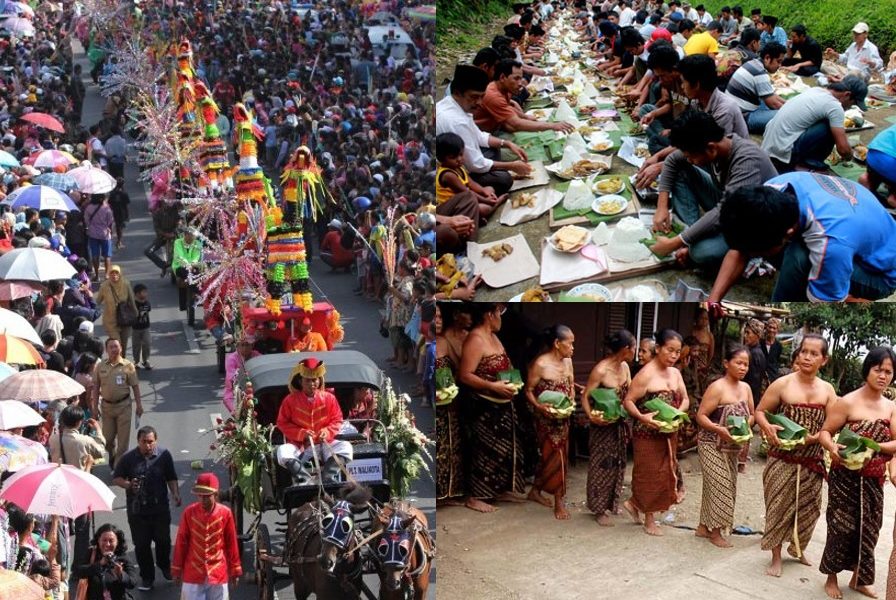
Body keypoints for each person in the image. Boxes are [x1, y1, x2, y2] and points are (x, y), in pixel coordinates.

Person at [714, 173, 896, 302]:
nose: (750, 256)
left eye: (757, 253)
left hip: (881, 273)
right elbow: (739, 251)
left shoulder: (831, 244)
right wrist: (712, 301)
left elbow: (828, 301)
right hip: (856, 227)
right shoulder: (774, 189)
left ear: (788, 233)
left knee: (799, 257)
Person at [646, 111, 777, 267]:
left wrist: (676, 242)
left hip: (752, 223)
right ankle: (690, 232)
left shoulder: (746, 160)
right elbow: (672, 160)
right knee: (680, 169)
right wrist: (662, 207)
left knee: (700, 252)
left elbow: (725, 211)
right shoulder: (714, 146)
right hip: (729, 204)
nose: (690, 160)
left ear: (711, 148)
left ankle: (689, 240)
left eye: (691, 156)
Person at [754, 333, 836, 578]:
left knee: (810, 508)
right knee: (778, 506)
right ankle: (776, 556)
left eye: (814, 353)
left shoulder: (828, 390)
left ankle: (798, 548)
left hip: (812, 459)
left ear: (824, 360)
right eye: (803, 352)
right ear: (797, 354)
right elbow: (760, 411)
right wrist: (766, 427)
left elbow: (832, 425)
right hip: (782, 457)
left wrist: (818, 438)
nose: (807, 357)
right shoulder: (783, 384)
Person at [818, 347, 896, 600]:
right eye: (878, 369)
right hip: (845, 477)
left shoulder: (891, 407)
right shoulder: (847, 401)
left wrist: (875, 447)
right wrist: (832, 447)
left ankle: (858, 579)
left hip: (873, 479)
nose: (883, 376)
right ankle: (831, 578)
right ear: (867, 370)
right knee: (841, 527)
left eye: (888, 371)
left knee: (870, 529)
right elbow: (825, 433)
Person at [622, 329, 690, 536]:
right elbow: (628, 402)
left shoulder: (676, 373)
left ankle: (634, 504)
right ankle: (649, 518)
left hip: (669, 431)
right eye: (670, 350)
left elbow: (686, 398)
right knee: (648, 474)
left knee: (664, 472)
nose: (673, 356)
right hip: (647, 433)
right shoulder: (646, 374)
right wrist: (643, 418)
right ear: (658, 348)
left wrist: (677, 413)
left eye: (677, 352)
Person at [458, 303, 526, 508]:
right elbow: (465, 375)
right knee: (485, 451)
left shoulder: (494, 336)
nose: (501, 317)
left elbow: (506, 365)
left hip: (504, 404)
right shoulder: (476, 339)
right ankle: (476, 497)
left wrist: (513, 380)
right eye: (500, 312)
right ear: (489, 314)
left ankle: (499, 489)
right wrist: (491, 386)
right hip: (484, 406)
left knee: (504, 450)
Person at [436, 64, 531, 198]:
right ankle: (481, 192)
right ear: (457, 92)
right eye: (474, 97)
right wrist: (511, 166)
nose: (479, 102)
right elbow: (475, 164)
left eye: (482, 96)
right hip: (457, 170)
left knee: (496, 147)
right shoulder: (456, 121)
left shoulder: (455, 104)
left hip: (466, 158)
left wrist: (507, 144)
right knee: (504, 179)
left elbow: (479, 136)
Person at [695, 344, 754, 548]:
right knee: (721, 485)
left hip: (732, 447)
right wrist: (719, 429)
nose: (743, 368)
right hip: (710, 443)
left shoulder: (746, 388)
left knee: (720, 484)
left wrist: (746, 428)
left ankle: (703, 526)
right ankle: (716, 532)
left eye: (746, 364)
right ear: (726, 363)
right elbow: (700, 416)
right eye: (739, 363)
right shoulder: (717, 387)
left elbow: (753, 414)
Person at [112, 426, 180, 592]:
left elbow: (171, 477)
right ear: (138, 441)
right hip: (138, 512)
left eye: (151, 442)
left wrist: (175, 494)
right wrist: (129, 484)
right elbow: (117, 478)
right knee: (142, 545)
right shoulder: (128, 458)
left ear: (155, 441)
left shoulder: (164, 455)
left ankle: (164, 565)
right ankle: (147, 577)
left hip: (160, 509)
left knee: (163, 541)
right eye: (144, 442)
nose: (148, 445)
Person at [580, 329, 635, 526]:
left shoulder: (625, 367)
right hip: (602, 425)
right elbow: (586, 396)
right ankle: (598, 508)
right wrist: (591, 417)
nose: (635, 351)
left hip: (619, 424)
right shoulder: (601, 370)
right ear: (625, 349)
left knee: (618, 464)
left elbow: (629, 393)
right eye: (634, 347)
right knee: (601, 465)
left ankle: (612, 503)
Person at [523, 324, 576, 520]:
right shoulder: (541, 364)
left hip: (564, 417)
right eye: (569, 343)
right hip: (545, 418)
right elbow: (528, 390)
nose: (572, 348)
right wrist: (539, 407)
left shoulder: (568, 362)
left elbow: (570, 384)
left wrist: (571, 399)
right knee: (553, 456)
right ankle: (559, 502)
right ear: (557, 343)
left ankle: (535, 490)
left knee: (557, 456)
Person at [760, 76, 867, 172]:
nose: (849, 107)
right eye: (852, 104)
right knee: (829, 126)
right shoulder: (834, 106)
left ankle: (803, 160)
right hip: (785, 151)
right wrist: (849, 156)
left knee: (826, 121)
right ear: (847, 94)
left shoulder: (817, 90)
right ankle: (806, 163)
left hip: (770, 146)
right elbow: (843, 149)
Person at [275, 358, 352, 484]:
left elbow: (337, 419)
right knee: (282, 451)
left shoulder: (329, 398)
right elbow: (282, 423)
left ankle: (328, 479)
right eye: (308, 380)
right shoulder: (290, 400)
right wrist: (301, 433)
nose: (312, 384)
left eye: (315, 380)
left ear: (319, 380)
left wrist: (326, 432)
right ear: (300, 381)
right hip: (300, 447)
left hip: (325, 444)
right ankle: (306, 480)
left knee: (346, 447)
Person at [48, 405, 106, 568]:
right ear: (79, 422)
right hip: (80, 489)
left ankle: (61, 563)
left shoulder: (53, 439)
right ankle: (79, 565)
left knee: (60, 527)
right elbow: (101, 450)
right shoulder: (83, 441)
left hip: (59, 488)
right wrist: (98, 431)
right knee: (82, 530)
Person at [171, 473, 242, 600]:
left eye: (207, 496)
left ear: (215, 494)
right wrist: (177, 569)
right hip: (193, 573)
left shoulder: (226, 513)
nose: (203, 500)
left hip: (217, 572)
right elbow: (181, 541)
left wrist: (235, 570)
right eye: (200, 496)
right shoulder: (189, 512)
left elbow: (231, 543)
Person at [474, 59, 574, 134]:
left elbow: (509, 106)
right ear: (502, 77)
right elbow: (517, 123)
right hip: (486, 135)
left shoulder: (504, 88)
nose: (520, 83)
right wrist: (553, 126)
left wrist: (525, 116)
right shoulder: (493, 96)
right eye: (516, 79)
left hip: (497, 125)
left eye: (520, 78)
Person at [436, 132, 507, 230]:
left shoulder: (458, 167)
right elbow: (466, 192)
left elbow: (471, 183)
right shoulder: (448, 175)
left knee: (489, 189)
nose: (459, 159)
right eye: (453, 157)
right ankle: (496, 204)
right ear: (441, 159)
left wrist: (484, 192)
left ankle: (477, 218)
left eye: (461, 154)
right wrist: (487, 200)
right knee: (484, 208)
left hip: (468, 199)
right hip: (456, 208)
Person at [92, 337, 143, 468]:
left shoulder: (128, 366)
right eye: (111, 347)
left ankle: (119, 467)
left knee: (123, 441)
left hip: (124, 406)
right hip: (107, 408)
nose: (114, 349)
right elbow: (96, 387)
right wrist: (94, 406)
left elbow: (135, 386)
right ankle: (113, 455)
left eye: (116, 346)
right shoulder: (100, 366)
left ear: (121, 348)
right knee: (107, 440)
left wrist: (139, 405)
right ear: (106, 350)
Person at [725, 42, 788, 134]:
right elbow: (773, 104)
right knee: (785, 116)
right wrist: (792, 110)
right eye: (778, 61)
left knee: (775, 103)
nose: (780, 66)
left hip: (736, 110)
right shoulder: (759, 72)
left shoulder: (754, 63)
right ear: (767, 58)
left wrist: (789, 103)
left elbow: (771, 96)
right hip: (743, 117)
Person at [73, 524, 138, 600]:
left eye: (111, 541)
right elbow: (77, 571)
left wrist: (121, 574)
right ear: (98, 540)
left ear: (117, 542)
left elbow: (133, 582)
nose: (107, 544)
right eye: (104, 540)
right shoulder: (91, 554)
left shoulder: (122, 556)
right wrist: (99, 564)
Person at [95, 265, 137, 352]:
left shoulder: (126, 284)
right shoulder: (104, 286)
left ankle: (122, 363)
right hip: (111, 321)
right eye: (112, 273)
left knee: (124, 345)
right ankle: (116, 363)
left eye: (116, 273)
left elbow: (132, 300)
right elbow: (98, 301)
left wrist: (136, 314)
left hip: (125, 319)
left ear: (120, 274)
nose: (114, 275)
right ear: (109, 275)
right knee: (117, 344)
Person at [859, 123, 896, 208]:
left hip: (872, 157)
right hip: (891, 165)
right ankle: (894, 198)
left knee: (877, 175)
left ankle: (867, 180)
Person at [223, 335, 261, 414]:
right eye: (242, 345)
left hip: (256, 390)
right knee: (238, 413)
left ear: (252, 345)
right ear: (237, 346)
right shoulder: (231, 358)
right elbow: (231, 377)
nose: (245, 348)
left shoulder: (257, 356)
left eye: (247, 345)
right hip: (235, 392)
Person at [83, 194, 115, 281]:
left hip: (93, 233)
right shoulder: (106, 208)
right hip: (105, 234)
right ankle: (107, 275)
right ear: (102, 198)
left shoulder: (89, 208)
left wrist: (91, 225)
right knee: (107, 255)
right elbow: (110, 220)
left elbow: (86, 220)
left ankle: (97, 275)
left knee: (95, 255)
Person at [171, 227, 203, 313]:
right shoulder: (178, 242)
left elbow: (196, 256)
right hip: (179, 266)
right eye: (190, 236)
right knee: (186, 273)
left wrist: (192, 264)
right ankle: (197, 293)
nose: (192, 238)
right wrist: (187, 265)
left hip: (193, 266)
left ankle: (197, 293)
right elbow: (179, 256)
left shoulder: (198, 243)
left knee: (199, 274)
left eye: (193, 236)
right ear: (185, 235)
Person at [131, 283, 151, 370]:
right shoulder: (133, 304)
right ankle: (136, 361)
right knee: (136, 345)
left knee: (147, 343)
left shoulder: (147, 303)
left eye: (146, 292)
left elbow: (149, 309)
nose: (145, 294)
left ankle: (146, 360)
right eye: (143, 292)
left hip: (146, 327)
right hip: (135, 328)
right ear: (137, 294)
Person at [108, 178, 129, 250]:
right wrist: (127, 215)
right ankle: (119, 241)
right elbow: (126, 205)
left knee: (115, 226)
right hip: (121, 212)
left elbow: (109, 202)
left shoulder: (112, 193)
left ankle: (115, 241)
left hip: (113, 211)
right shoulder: (124, 193)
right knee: (120, 227)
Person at [760, 318, 783, 384]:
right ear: (766, 327)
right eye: (770, 327)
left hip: (772, 377)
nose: (771, 330)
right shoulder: (760, 342)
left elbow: (776, 361)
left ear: (777, 330)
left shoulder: (778, 346)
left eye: (774, 328)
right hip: (759, 377)